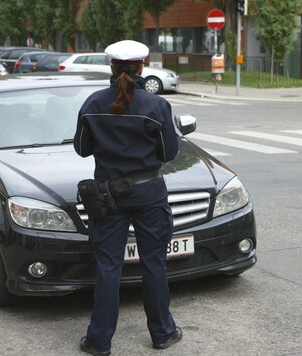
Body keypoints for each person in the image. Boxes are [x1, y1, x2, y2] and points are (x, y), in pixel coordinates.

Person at [73, 40, 183, 355]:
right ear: (141, 67)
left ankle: (99, 341)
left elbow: (82, 149)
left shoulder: (93, 103)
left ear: (111, 67)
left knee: (109, 266)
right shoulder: (157, 106)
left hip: (108, 195)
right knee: (154, 264)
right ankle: (162, 334)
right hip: (149, 193)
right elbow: (170, 153)